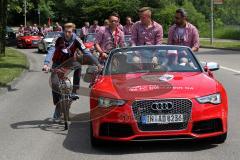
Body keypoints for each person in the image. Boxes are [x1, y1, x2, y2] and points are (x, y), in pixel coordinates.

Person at [42, 23, 102, 119]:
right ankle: (58, 106)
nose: (67, 34)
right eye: (65, 31)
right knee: (54, 83)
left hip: (70, 62)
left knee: (78, 65)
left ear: (73, 31)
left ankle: (75, 90)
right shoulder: (58, 37)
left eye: (69, 32)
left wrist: (97, 63)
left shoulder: (77, 39)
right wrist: (46, 64)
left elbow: (86, 52)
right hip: (57, 62)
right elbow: (51, 49)